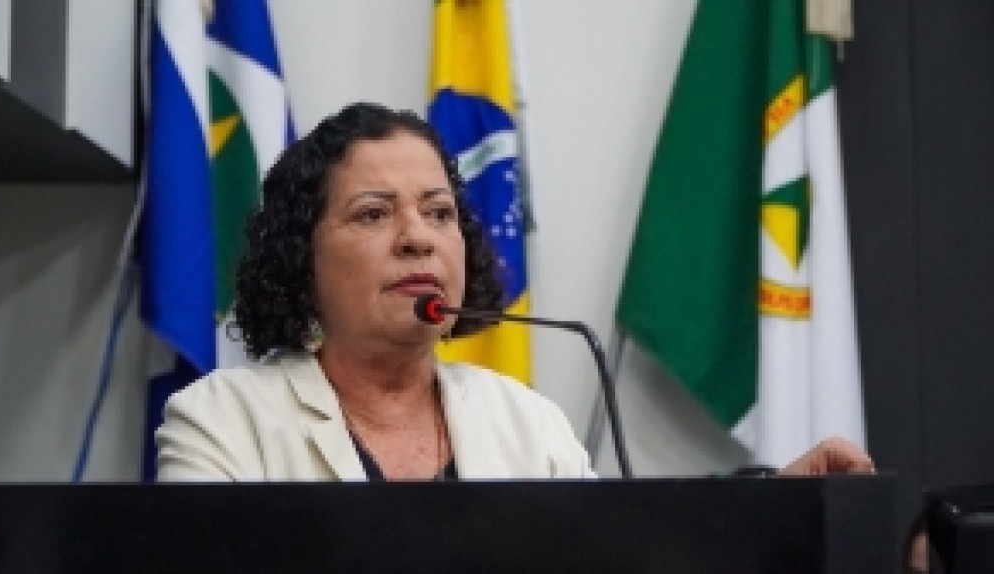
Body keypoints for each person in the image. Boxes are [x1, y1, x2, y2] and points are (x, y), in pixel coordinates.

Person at [155, 101, 874, 482]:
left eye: (440, 213)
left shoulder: (528, 424)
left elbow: (628, 559)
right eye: (374, 214)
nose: (418, 238)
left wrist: (774, 511)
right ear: (301, 257)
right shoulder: (220, 423)